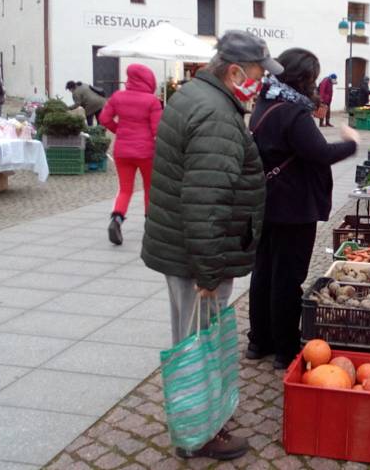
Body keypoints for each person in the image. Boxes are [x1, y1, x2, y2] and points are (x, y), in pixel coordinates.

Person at [141, 30, 276, 461]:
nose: (262, 81)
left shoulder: (197, 95)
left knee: (191, 338)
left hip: (184, 247)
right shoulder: (216, 113)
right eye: (258, 72)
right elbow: (206, 199)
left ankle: (197, 425)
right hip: (195, 254)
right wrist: (208, 269)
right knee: (198, 344)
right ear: (235, 71)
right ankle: (198, 433)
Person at [248, 49, 359, 369]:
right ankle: (284, 348)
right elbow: (319, 152)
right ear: (303, 78)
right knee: (287, 277)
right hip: (293, 208)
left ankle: (259, 341)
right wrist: (351, 141)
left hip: (268, 202)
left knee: (264, 272)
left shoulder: (265, 103)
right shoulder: (292, 112)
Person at [99, 64, 162, 246]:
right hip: (146, 152)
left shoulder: (118, 97)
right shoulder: (152, 101)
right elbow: (157, 129)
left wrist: (119, 130)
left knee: (125, 189)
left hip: (122, 151)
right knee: (150, 188)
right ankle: (151, 228)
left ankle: (116, 220)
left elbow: (104, 119)